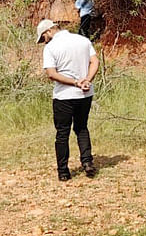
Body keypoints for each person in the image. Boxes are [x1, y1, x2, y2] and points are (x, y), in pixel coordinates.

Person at [36, 18, 99, 182]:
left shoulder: (51, 48)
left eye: (43, 38)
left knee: (62, 133)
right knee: (81, 127)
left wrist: (74, 82)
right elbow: (94, 61)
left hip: (64, 95)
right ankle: (87, 162)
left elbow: (51, 73)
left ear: (49, 31)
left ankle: (63, 171)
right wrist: (87, 80)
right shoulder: (82, 40)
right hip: (85, 94)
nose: (44, 42)